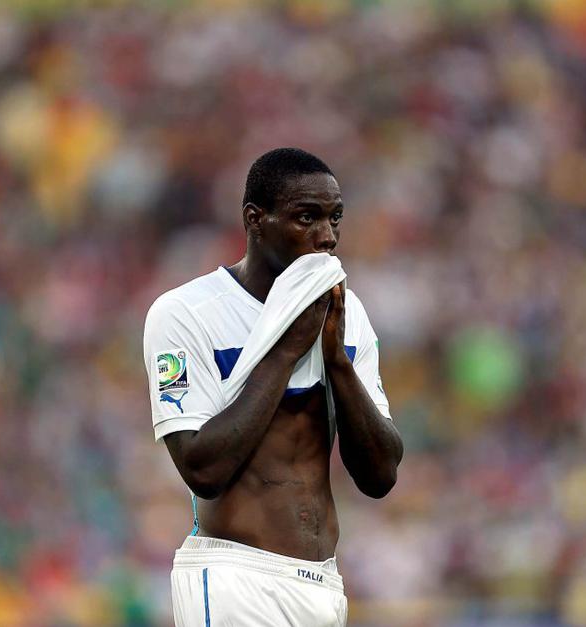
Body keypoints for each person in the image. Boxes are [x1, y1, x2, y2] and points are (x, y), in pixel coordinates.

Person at [143, 147, 404, 626]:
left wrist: (336, 362)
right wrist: (285, 351)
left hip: (322, 584)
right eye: (307, 217)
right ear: (255, 219)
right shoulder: (184, 314)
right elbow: (203, 469)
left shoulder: (349, 316)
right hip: (235, 579)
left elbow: (380, 476)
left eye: (334, 218)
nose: (327, 237)